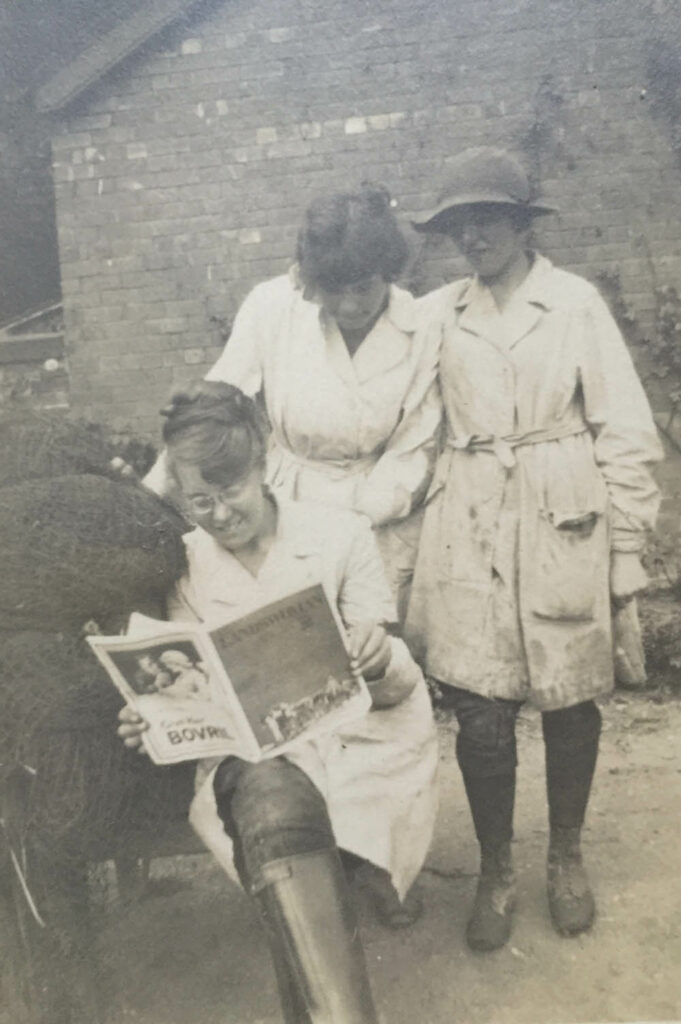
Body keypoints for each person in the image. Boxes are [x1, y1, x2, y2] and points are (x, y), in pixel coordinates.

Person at [406, 147, 662, 953]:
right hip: (471, 515)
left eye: (486, 219)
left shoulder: (573, 302)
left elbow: (623, 429)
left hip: (561, 509)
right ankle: (495, 869)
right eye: (456, 225)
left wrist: (625, 547)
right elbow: (403, 417)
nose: (471, 236)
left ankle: (565, 857)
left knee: (568, 698)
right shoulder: (439, 312)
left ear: (521, 224)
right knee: (480, 710)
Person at [120, 382, 439, 1023]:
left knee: (279, 815)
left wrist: (377, 658)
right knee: (271, 791)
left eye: (230, 491)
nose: (219, 515)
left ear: (263, 463)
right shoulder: (180, 565)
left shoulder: (340, 534)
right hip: (252, 754)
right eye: (198, 501)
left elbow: (394, 676)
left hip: (360, 738)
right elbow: (188, 684)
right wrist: (152, 718)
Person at [145, 185, 442, 621]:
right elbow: (215, 404)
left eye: (364, 287)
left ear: (390, 273)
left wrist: (355, 524)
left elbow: (414, 444)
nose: (349, 304)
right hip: (286, 505)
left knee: (368, 646)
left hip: (378, 514)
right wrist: (151, 495)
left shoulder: (420, 329)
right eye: (333, 289)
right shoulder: (273, 307)